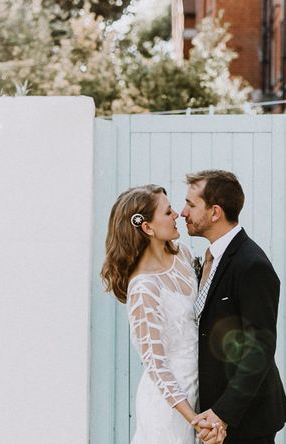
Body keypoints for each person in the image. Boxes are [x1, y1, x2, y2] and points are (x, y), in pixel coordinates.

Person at [101, 184, 226, 444]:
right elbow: (156, 366)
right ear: (147, 228)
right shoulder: (144, 288)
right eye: (168, 212)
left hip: (200, 390)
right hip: (169, 408)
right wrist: (193, 418)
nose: (177, 215)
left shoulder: (183, 254)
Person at [182, 170, 286, 444]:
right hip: (214, 414)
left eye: (191, 205)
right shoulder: (210, 257)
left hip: (248, 420)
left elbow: (259, 350)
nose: (183, 212)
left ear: (215, 212)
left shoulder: (251, 265)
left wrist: (222, 413)